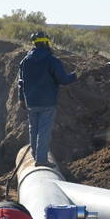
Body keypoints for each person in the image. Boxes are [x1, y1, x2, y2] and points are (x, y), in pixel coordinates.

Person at [17, 31, 79, 167]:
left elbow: (21, 82)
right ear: (46, 43)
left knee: (33, 130)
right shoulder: (53, 61)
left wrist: (21, 99)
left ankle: (35, 156)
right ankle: (42, 160)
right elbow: (63, 80)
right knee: (44, 131)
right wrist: (75, 75)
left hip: (31, 102)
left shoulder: (25, 61)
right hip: (47, 103)